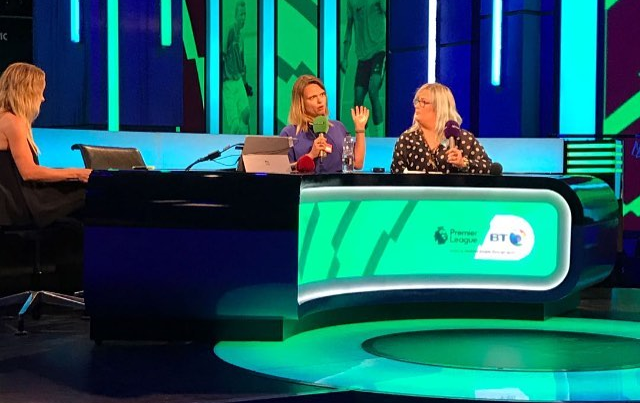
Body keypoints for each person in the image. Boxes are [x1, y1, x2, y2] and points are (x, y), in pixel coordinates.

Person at [0, 62, 91, 228]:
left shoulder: (6, 119)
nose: (43, 98)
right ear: (27, 92)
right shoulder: (12, 122)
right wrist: (78, 173)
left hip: (20, 199)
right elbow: (29, 172)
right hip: (22, 203)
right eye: (40, 93)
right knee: (90, 192)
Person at [390, 83, 492, 174]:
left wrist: (463, 163)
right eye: (417, 101)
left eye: (423, 102)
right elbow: (395, 177)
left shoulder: (464, 139)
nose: (417, 106)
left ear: (439, 107)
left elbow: (489, 168)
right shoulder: (407, 140)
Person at [279, 75, 368, 173]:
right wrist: (311, 155)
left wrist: (360, 130)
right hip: (304, 186)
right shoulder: (289, 133)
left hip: (337, 186)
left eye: (322, 95)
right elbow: (283, 170)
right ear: (301, 103)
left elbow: (357, 163)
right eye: (312, 97)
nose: (320, 101)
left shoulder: (338, 127)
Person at [341, 0, 386, 136]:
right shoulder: (351, 3)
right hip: (362, 57)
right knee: (358, 100)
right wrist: (344, 57)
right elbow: (349, 30)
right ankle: (363, 137)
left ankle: (381, 135)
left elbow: (390, 16)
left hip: (379, 50)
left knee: (373, 90)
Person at [222, 0, 252, 134]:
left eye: (245, 14)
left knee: (246, 112)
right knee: (234, 123)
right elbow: (222, 53)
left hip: (238, 80)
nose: (243, 17)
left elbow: (242, 63)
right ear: (236, 16)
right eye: (241, 14)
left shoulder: (242, 36)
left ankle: (245, 140)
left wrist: (245, 84)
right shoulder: (230, 29)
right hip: (228, 82)